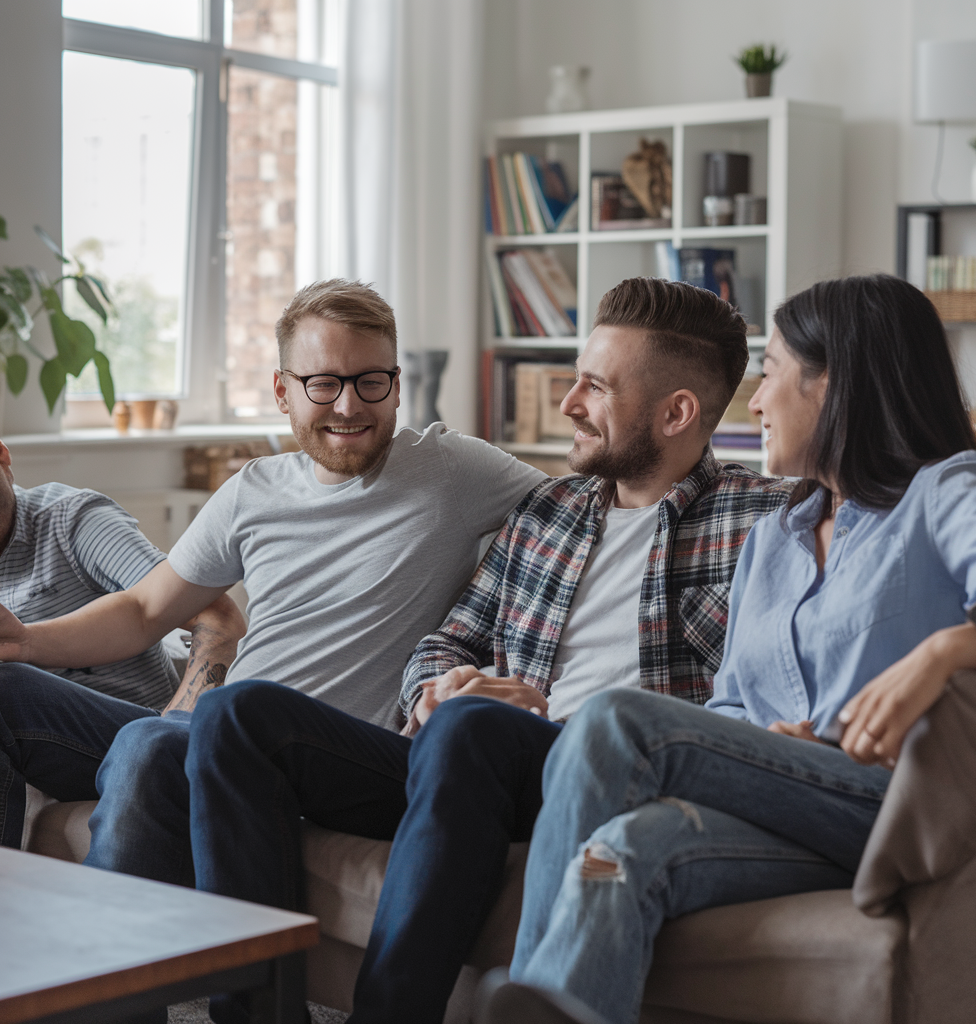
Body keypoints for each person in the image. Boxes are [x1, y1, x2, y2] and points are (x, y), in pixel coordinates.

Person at [180, 277, 791, 1024]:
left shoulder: (768, 522)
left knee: (477, 732)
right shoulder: (548, 509)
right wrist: (441, 687)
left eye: (594, 388)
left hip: (610, 773)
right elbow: (449, 639)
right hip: (471, 763)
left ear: (678, 412)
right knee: (235, 716)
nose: (568, 405)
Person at [479, 273, 976, 1024]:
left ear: (834, 384)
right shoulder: (776, 537)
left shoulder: (944, 490)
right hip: (795, 803)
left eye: (770, 372)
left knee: (612, 722)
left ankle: (524, 996)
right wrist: (767, 745)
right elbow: (731, 702)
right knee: (627, 851)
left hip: (894, 801)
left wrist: (943, 655)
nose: (757, 400)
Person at [0, 278, 543, 869]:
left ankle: (134, 959)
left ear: (395, 386)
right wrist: (25, 641)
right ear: (283, 392)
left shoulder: (451, 469)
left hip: (332, 753)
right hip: (223, 732)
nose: (349, 405)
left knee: (150, 742)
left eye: (370, 381)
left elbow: (590, 509)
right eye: (323, 383)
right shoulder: (254, 490)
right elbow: (145, 611)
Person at [0, 435, 245, 850]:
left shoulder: (71, 520)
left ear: (3, 455)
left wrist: (179, 733)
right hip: (42, 751)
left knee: (7, 687)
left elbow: (216, 616)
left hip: (135, 728)